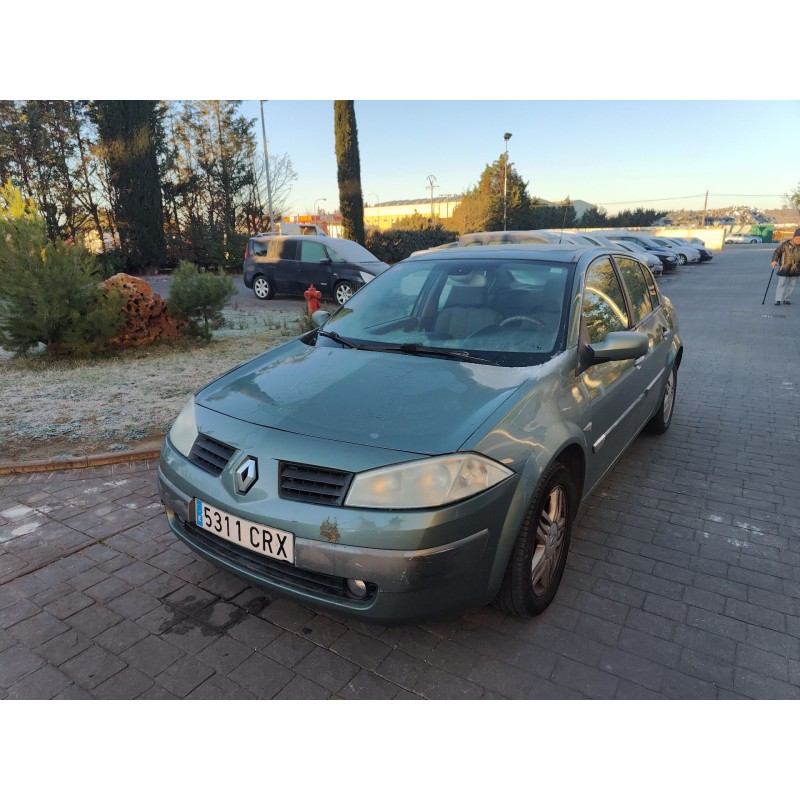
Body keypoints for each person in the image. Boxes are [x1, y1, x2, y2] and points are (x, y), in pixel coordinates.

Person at [771, 228, 800, 305]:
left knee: (792, 285)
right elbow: (777, 252)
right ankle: (778, 299)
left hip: (796, 268)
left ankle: (787, 299)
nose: (799, 239)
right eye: (798, 237)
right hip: (784, 267)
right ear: (794, 237)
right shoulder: (785, 244)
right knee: (781, 283)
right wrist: (774, 260)